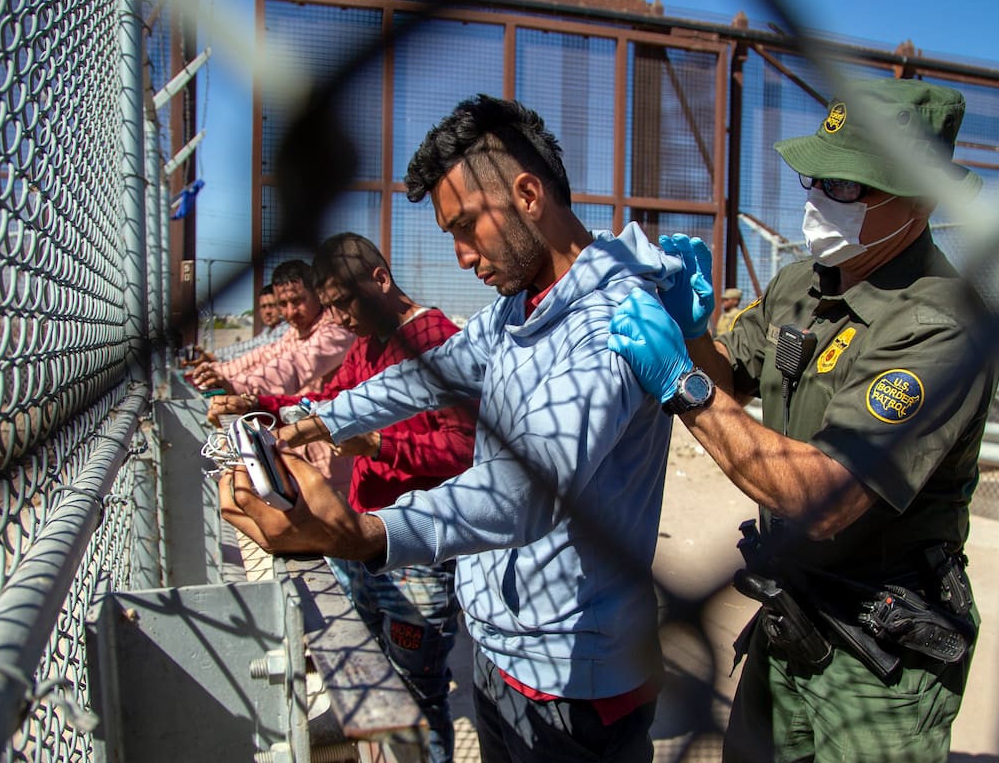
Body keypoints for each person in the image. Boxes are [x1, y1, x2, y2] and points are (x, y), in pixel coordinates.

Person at [220, 95, 686, 762]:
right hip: (501, 650)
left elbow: (524, 491)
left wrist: (368, 534)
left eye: (466, 227)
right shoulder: (518, 310)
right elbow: (425, 377)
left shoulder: (610, 324)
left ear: (527, 196)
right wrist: (310, 420)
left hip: (572, 678)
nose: (462, 257)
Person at [608, 78, 998, 762]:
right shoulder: (803, 284)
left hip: (881, 650)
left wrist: (681, 385)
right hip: (791, 611)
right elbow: (734, 378)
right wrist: (693, 334)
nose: (818, 198)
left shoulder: (940, 324)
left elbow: (826, 496)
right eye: (816, 177)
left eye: (846, 185)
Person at [212, 233, 476, 763]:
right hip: (362, 537)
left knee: (418, 693)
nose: (337, 317)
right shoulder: (366, 341)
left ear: (381, 280)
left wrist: (379, 444)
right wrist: (259, 403)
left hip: (418, 550)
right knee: (370, 670)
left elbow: (464, 447)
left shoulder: (436, 338)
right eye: (329, 306)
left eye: (344, 302)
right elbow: (329, 402)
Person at [191, 260, 354, 396]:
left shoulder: (337, 328)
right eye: (282, 304)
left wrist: (237, 387)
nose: (290, 312)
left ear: (318, 294)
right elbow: (263, 356)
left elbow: (294, 367)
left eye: (297, 301)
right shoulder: (295, 332)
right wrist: (217, 372)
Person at [185, 285, 288, 367]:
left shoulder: (284, 330)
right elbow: (246, 346)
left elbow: (253, 354)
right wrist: (211, 355)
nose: (267, 311)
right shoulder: (268, 331)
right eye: (263, 307)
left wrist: (213, 358)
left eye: (272, 306)